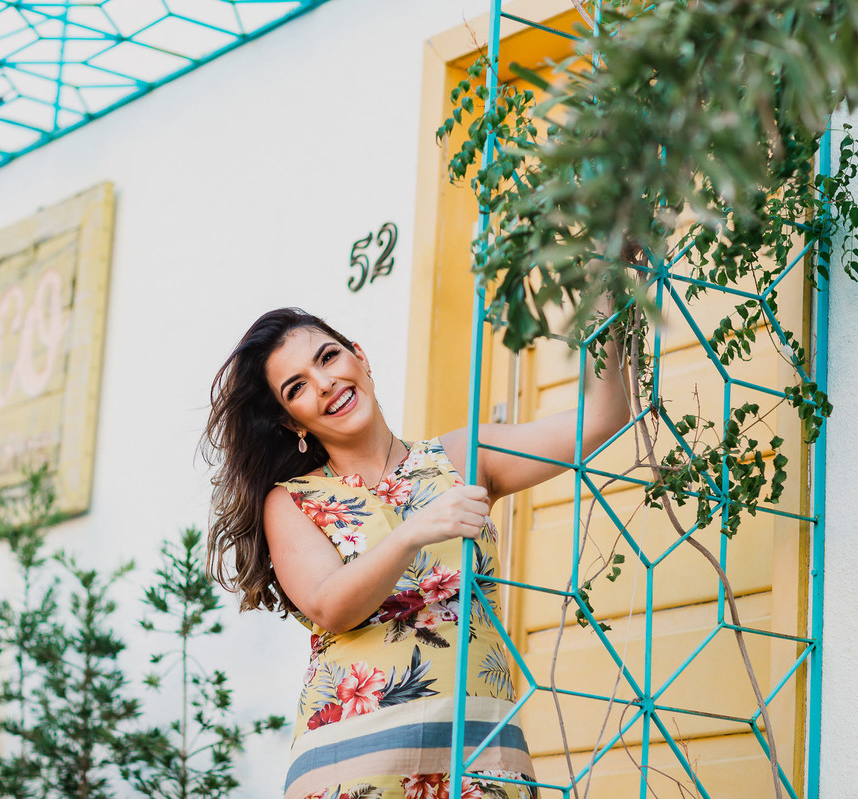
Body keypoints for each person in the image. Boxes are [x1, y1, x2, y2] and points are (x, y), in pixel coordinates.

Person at [204, 307, 630, 799]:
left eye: (328, 357)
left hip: (479, 753)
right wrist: (412, 533)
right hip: (357, 763)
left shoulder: (463, 457)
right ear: (290, 420)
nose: (323, 384)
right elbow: (330, 606)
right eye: (296, 387)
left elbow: (601, 421)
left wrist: (609, 300)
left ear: (360, 357)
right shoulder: (292, 501)